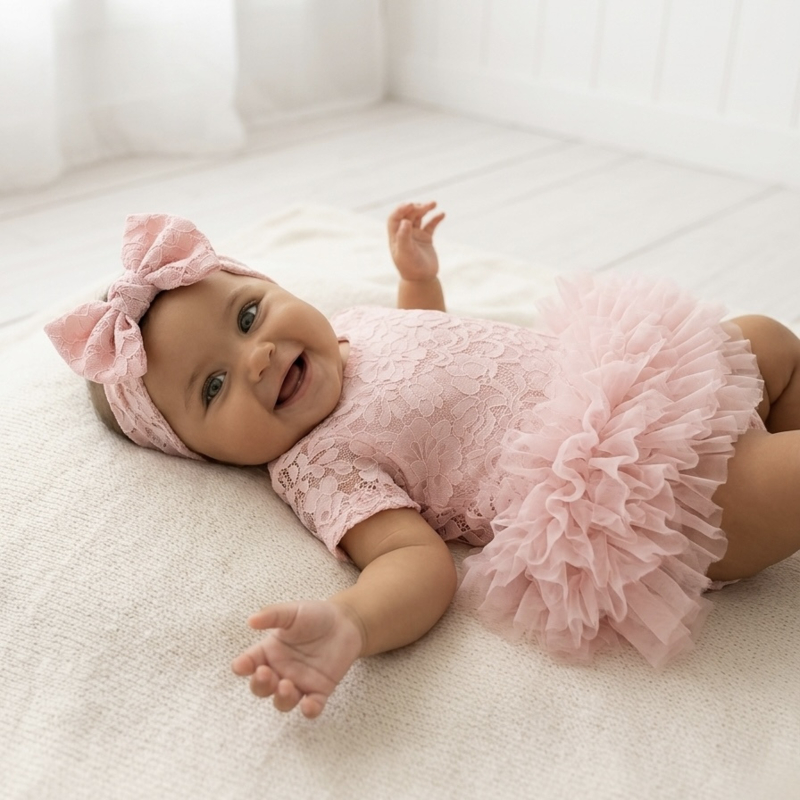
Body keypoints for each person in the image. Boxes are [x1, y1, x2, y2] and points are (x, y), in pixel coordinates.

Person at [45, 203, 800, 719]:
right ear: (206, 455)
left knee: (767, 339)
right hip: (625, 492)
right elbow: (413, 562)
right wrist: (351, 622)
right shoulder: (317, 467)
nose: (259, 356)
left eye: (248, 315)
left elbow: (433, 356)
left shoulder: (355, 324)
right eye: (213, 387)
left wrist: (417, 278)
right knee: (777, 479)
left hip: (628, 385)